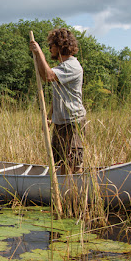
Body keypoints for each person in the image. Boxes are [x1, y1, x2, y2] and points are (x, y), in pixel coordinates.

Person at [29, 28, 86, 174]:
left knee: (73, 164)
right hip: (61, 122)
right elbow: (57, 96)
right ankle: (61, 191)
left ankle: (75, 194)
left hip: (73, 122)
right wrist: (49, 117)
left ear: (60, 46)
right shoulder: (61, 67)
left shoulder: (71, 66)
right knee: (60, 163)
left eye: (51, 46)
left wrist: (39, 52)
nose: (49, 49)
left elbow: (47, 76)